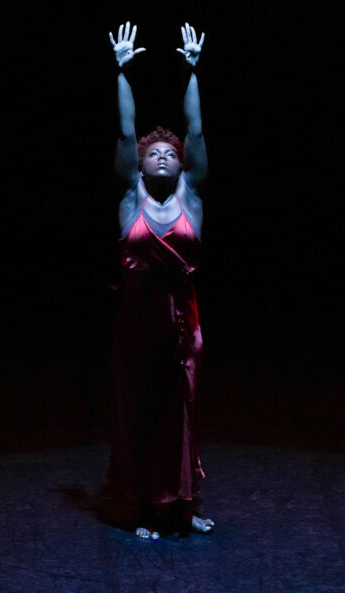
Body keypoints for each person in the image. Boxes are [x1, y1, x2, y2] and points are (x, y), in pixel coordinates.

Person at [105, 22, 214, 540]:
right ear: (141, 167)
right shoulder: (132, 199)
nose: (165, 153)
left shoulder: (191, 196)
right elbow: (127, 133)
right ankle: (148, 509)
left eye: (171, 151)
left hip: (181, 325)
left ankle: (185, 506)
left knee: (182, 414)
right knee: (143, 415)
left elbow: (195, 132)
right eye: (155, 153)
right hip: (137, 327)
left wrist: (192, 70)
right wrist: (122, 70)